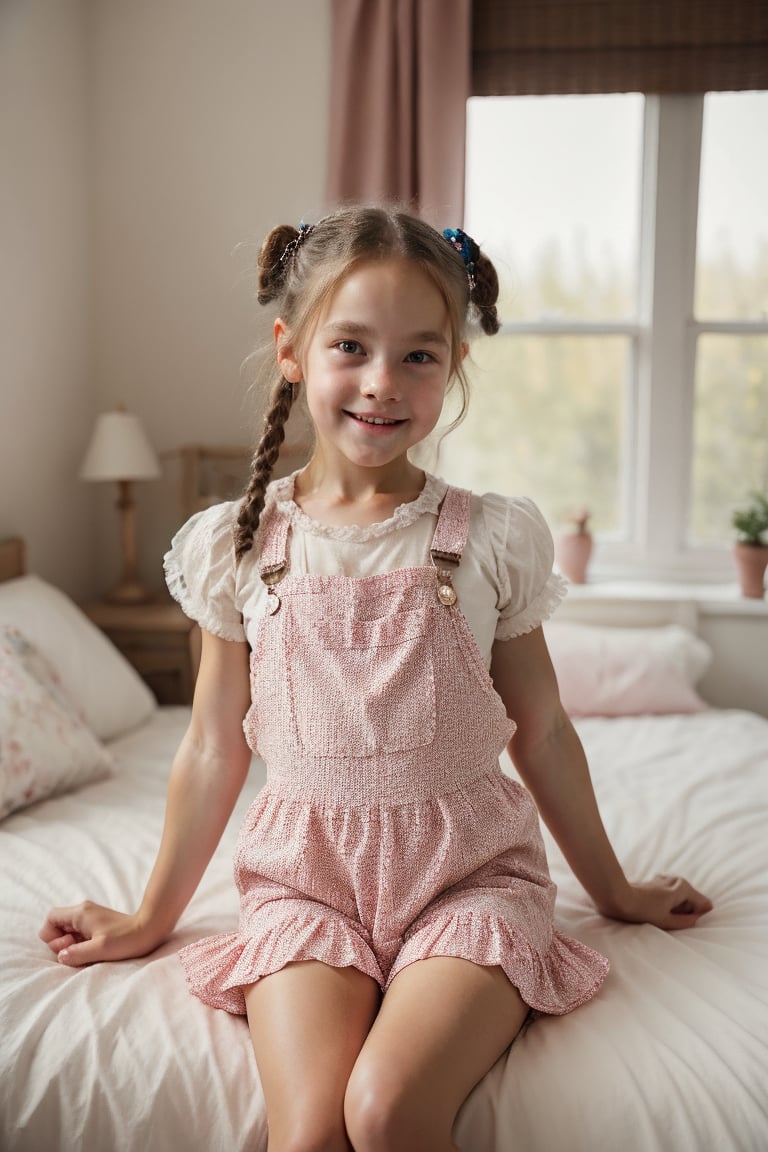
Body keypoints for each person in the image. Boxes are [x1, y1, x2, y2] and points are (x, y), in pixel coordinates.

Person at [40, 206, 713, 1152]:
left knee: (387, 1111)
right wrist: (154, 916)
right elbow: (207, 745)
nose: (381, 384)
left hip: (467, 880)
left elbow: (546, 731)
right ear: (292, 351)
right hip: (305, 883)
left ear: (455, 367)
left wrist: (615, 892)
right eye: (350, 347)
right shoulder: (236, 546)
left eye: (419, 356)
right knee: (312, 1129)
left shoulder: (490, 538)